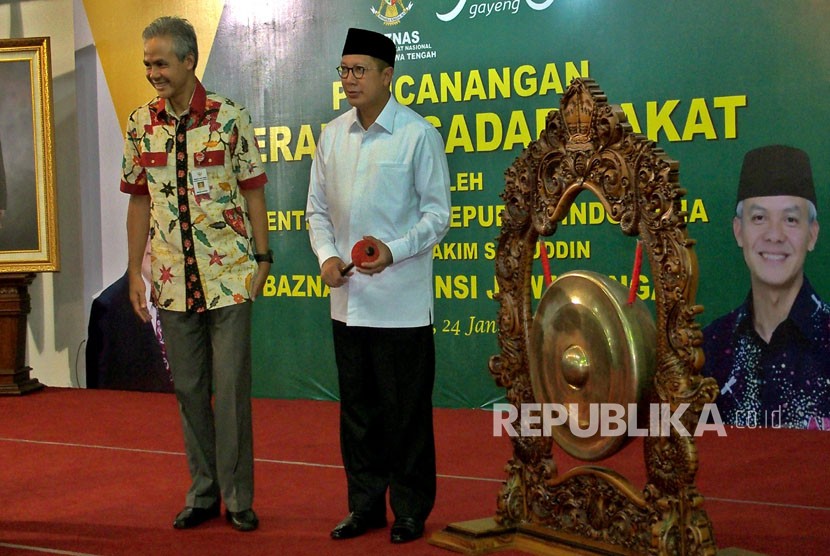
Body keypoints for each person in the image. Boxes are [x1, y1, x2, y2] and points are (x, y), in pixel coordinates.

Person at [121, 16, 271, 532]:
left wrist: (264, 257)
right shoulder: (140, 123)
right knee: (188, 389)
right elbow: (138, 204)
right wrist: (133, 272)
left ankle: (239, 497)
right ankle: (203, 492)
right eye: (147, 64)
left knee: (229, 390)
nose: (153, 73)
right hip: (169, 280)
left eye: (160, 62)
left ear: (189, 61)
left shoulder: (230, 118)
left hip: (228, 274)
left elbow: (253, 189)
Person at [306, 28, 451, 544]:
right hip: (347, 303)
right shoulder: (331, 135)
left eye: (359, 70)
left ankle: (410, 510)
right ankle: (364, 506)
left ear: (388, 76)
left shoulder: (417, 134)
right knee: (358, 415)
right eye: (344, 71)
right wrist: (326, 256)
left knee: (406, 415)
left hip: (402, 305)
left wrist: (395, 249)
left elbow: (439, 216)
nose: (349, 80)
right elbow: (317, 212)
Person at [703, 144, 830, 430]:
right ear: (739, 231)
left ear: (812, 234)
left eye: (791, 219)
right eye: (759, 218)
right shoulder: (707, 351)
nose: (774, 235)